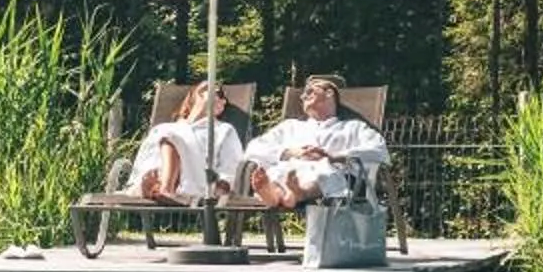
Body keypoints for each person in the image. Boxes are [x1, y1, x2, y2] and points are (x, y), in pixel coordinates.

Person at [244, 73, 387, 211]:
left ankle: (297, 192)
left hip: (334, 173)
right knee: (279, 172)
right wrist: (291, 152)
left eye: (309, 91)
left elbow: (379, 150)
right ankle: (276, 194)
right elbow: (253, 148)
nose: (302, 96)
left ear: (329, 93)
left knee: (323, 173)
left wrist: (333, 157)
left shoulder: (353, 127)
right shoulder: (290, 126)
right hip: (291, 170)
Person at [133, 80, 245, 202]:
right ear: (192, 98)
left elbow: (232, 167)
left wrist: (221, 188)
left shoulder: (223, 130)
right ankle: (154, 187)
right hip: (155, 175)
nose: (211, 90)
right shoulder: (162, 128)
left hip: (198, 182)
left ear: (222, 104)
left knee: (170, 137)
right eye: (204, 89)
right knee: (166, 135)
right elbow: (146, 158)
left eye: (219, 93)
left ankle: (165, 189)